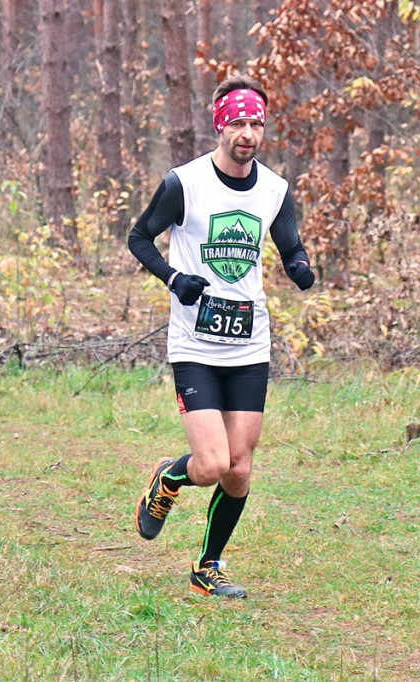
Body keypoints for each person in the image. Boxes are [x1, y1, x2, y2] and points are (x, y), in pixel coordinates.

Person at [129, 76, 316, 599]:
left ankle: (206, 568)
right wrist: (173, 278)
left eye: (256, 123)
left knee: (239, 468)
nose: (248, 133)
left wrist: (299, 265)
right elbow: (138, 236)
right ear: (220, 125)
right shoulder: (183, 183)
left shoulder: (275, 189)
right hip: (195, 345)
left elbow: (289, 243)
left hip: (249, 343)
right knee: (210, 466)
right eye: (238, 122)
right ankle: (168, 480)